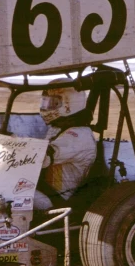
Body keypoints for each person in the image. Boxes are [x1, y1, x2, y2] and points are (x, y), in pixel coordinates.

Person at [34, 81, 97, 210]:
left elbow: (43, 158)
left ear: (69, 105)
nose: (46, 108)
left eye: (53, 103)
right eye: (45, 102)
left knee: (6, 192)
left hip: (58, 199)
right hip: (44, 189)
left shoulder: (78, 136)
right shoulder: (59, 127)